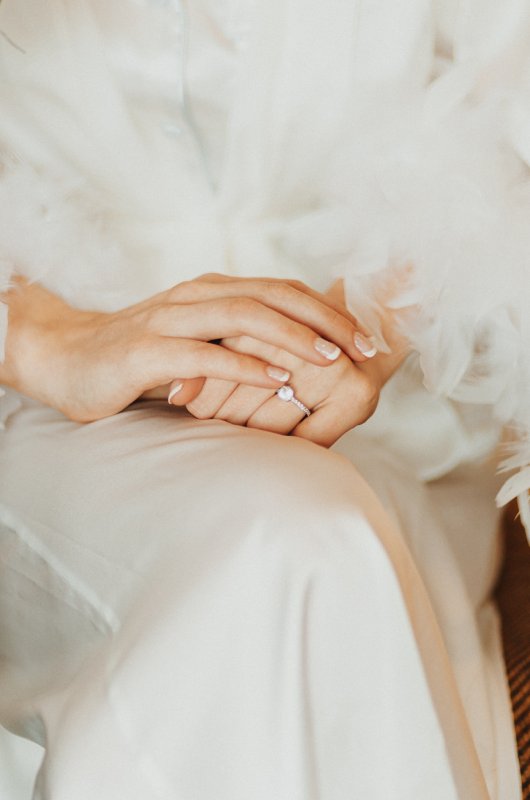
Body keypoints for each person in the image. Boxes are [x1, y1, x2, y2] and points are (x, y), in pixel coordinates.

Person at [0, 1, 529, 798]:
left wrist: (363, 325)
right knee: (290, 545)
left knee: (312, 545)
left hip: (381, 426)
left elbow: (507, 109)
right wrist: (40, 339)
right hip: (31, 411)